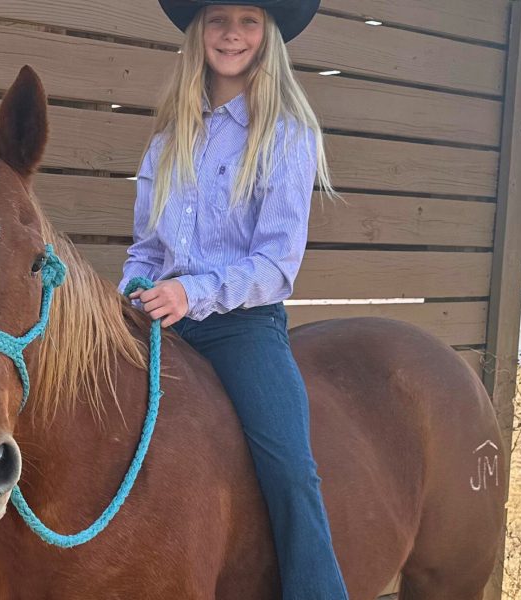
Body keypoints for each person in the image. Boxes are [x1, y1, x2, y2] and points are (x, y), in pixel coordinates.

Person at [119, 1, 346, 598]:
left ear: (267, 36)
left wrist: (190, 291)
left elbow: (275, 264)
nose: (232, 35)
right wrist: (132, 293)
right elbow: (146, 250)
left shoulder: (287, 135)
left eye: (249, 21)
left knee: (290, 469)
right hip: (161, 319)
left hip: (241, 327)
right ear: (199, 32)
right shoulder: (168, 139)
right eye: (219, 19)